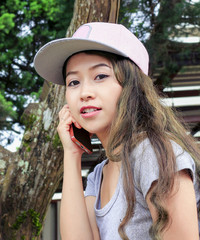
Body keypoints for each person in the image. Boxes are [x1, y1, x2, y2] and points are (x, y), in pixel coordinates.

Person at [34, 22, 200, 240]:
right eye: (73, 82)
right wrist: (71, 154)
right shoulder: (98, 176)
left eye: (100, 76)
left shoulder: (154, 153)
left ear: (132, 86)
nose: (84, 92)